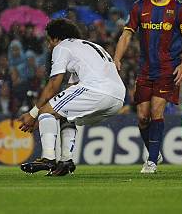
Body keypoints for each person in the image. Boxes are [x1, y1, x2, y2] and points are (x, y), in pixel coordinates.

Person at [18, 18, 126, 176]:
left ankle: (48, 158)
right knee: (65, 115)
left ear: (56, 38)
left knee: (47, 111)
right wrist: (46, 117)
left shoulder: (62, 47)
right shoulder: (89, 46)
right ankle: (65, 162)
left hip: (97, 89)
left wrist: (34, 114)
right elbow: (69, 91)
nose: (49, 46)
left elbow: (54, 84)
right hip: (117, 97)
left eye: (49, 41)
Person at [114, 0, 182, 173]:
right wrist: (116, 59)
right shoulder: (140, 7)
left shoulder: (179, 8)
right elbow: (126, 34)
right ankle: (153, 150)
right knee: (142, 116)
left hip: (167, 69)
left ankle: (151, 162)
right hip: (145, 69)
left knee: (157, 110)